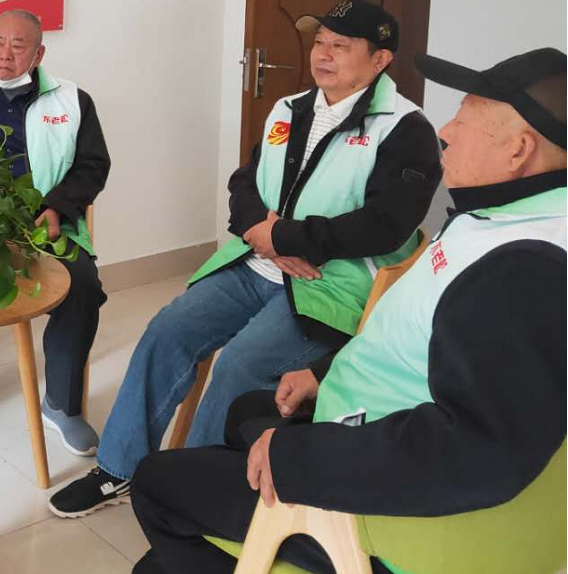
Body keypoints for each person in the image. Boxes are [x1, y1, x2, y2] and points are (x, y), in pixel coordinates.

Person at [129, 47, 566, 574]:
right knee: (245, 411)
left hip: (383, 517)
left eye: (465, 120)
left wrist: (299, 460)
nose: (446, 131)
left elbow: (477, 451)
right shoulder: (502, 217)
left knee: (157, 483)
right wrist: (322, 373)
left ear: (519, 150)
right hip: (370, 410)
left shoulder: (525, 267)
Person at [51, 0, 442, 518]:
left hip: (329, 284)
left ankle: (193, 496)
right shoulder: (290, 108)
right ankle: (118, 468)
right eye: (319, 42)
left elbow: (388, 224)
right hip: (254, 263)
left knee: (240, 364)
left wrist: (288, 239)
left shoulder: (406, 129)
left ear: (380, 59)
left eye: (340, 46)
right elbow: (245, 182)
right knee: (166, 330)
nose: (322, 55)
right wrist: (262, 233)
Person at [0, 9, 111, 455]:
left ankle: (62, 405)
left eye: (18, 46)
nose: (5, 55)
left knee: (82, 285)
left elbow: (93, 166)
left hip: (45, 225)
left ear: (38, 54)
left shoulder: (73, 101)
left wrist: (58, 207)